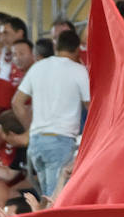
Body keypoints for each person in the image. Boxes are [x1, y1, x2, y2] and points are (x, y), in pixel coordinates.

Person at [11, 29, 88, 197]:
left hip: (36, 142)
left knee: (47, 197)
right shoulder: (78, 70)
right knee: (57, 199)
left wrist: (31, 128)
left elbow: (16, 103)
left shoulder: (38, 67)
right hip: (60, 141)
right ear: (77, 50)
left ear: (55, 46)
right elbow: (92, 107)